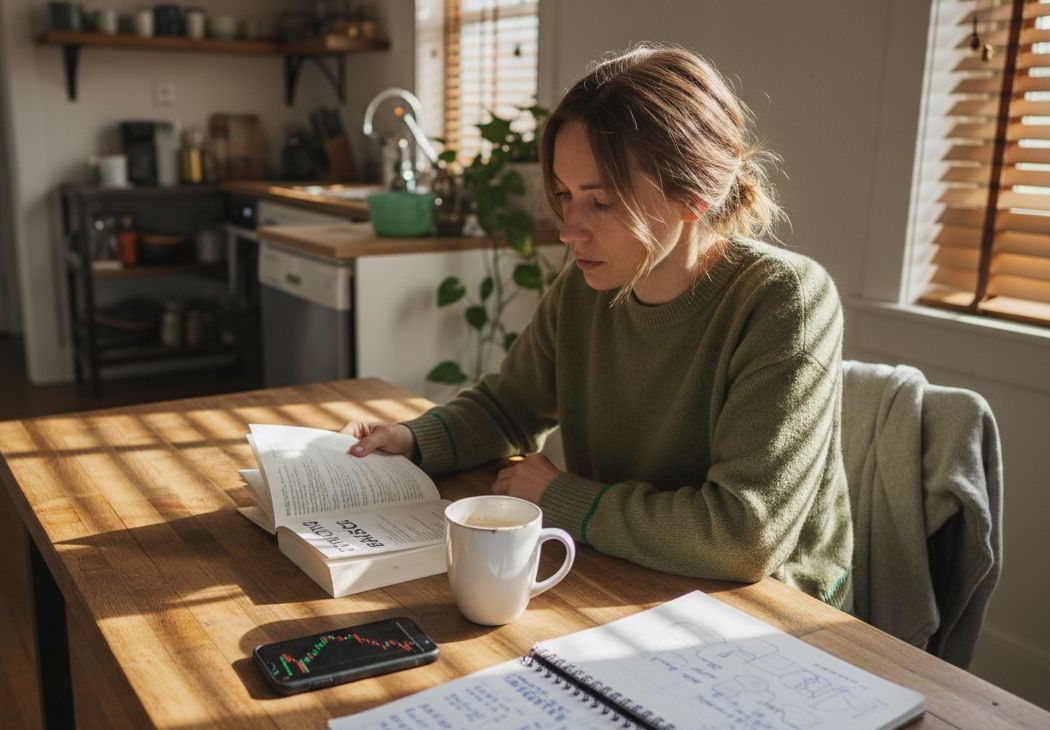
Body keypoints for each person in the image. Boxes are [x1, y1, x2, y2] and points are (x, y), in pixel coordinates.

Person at [343, 43, 853, 609]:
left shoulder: (785, 301)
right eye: (564, 195)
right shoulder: (589, 289)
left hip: (770, 614)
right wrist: (416, 439)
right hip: (620, 572)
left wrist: (564, 500)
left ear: (696, 193)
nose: (568, 230)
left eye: (602, 203)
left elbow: (740, 536)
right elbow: (509, 408)